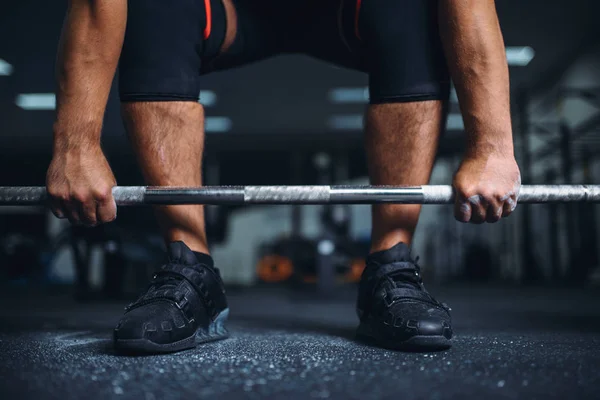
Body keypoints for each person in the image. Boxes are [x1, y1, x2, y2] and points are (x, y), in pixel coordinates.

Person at [46, 0, 521, 353]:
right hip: (234, 8)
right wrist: (76, 145)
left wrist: (493, 147)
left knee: (413, 7)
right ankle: (189, 268)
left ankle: (390, 265)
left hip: (346, 10)